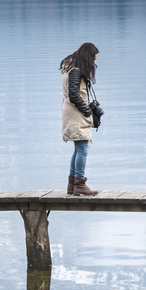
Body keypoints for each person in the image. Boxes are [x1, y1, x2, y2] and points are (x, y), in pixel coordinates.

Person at [60, 41, 100, 196]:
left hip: (71, 112)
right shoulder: (76, 71)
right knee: (83, 148)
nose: (94, 63)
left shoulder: (70, 68)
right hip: (76, 113)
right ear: (87, 57)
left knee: (78, 149)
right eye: (93, 59)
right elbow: (74, 95)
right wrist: (87, 111)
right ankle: (80, 184)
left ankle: (72, 184)